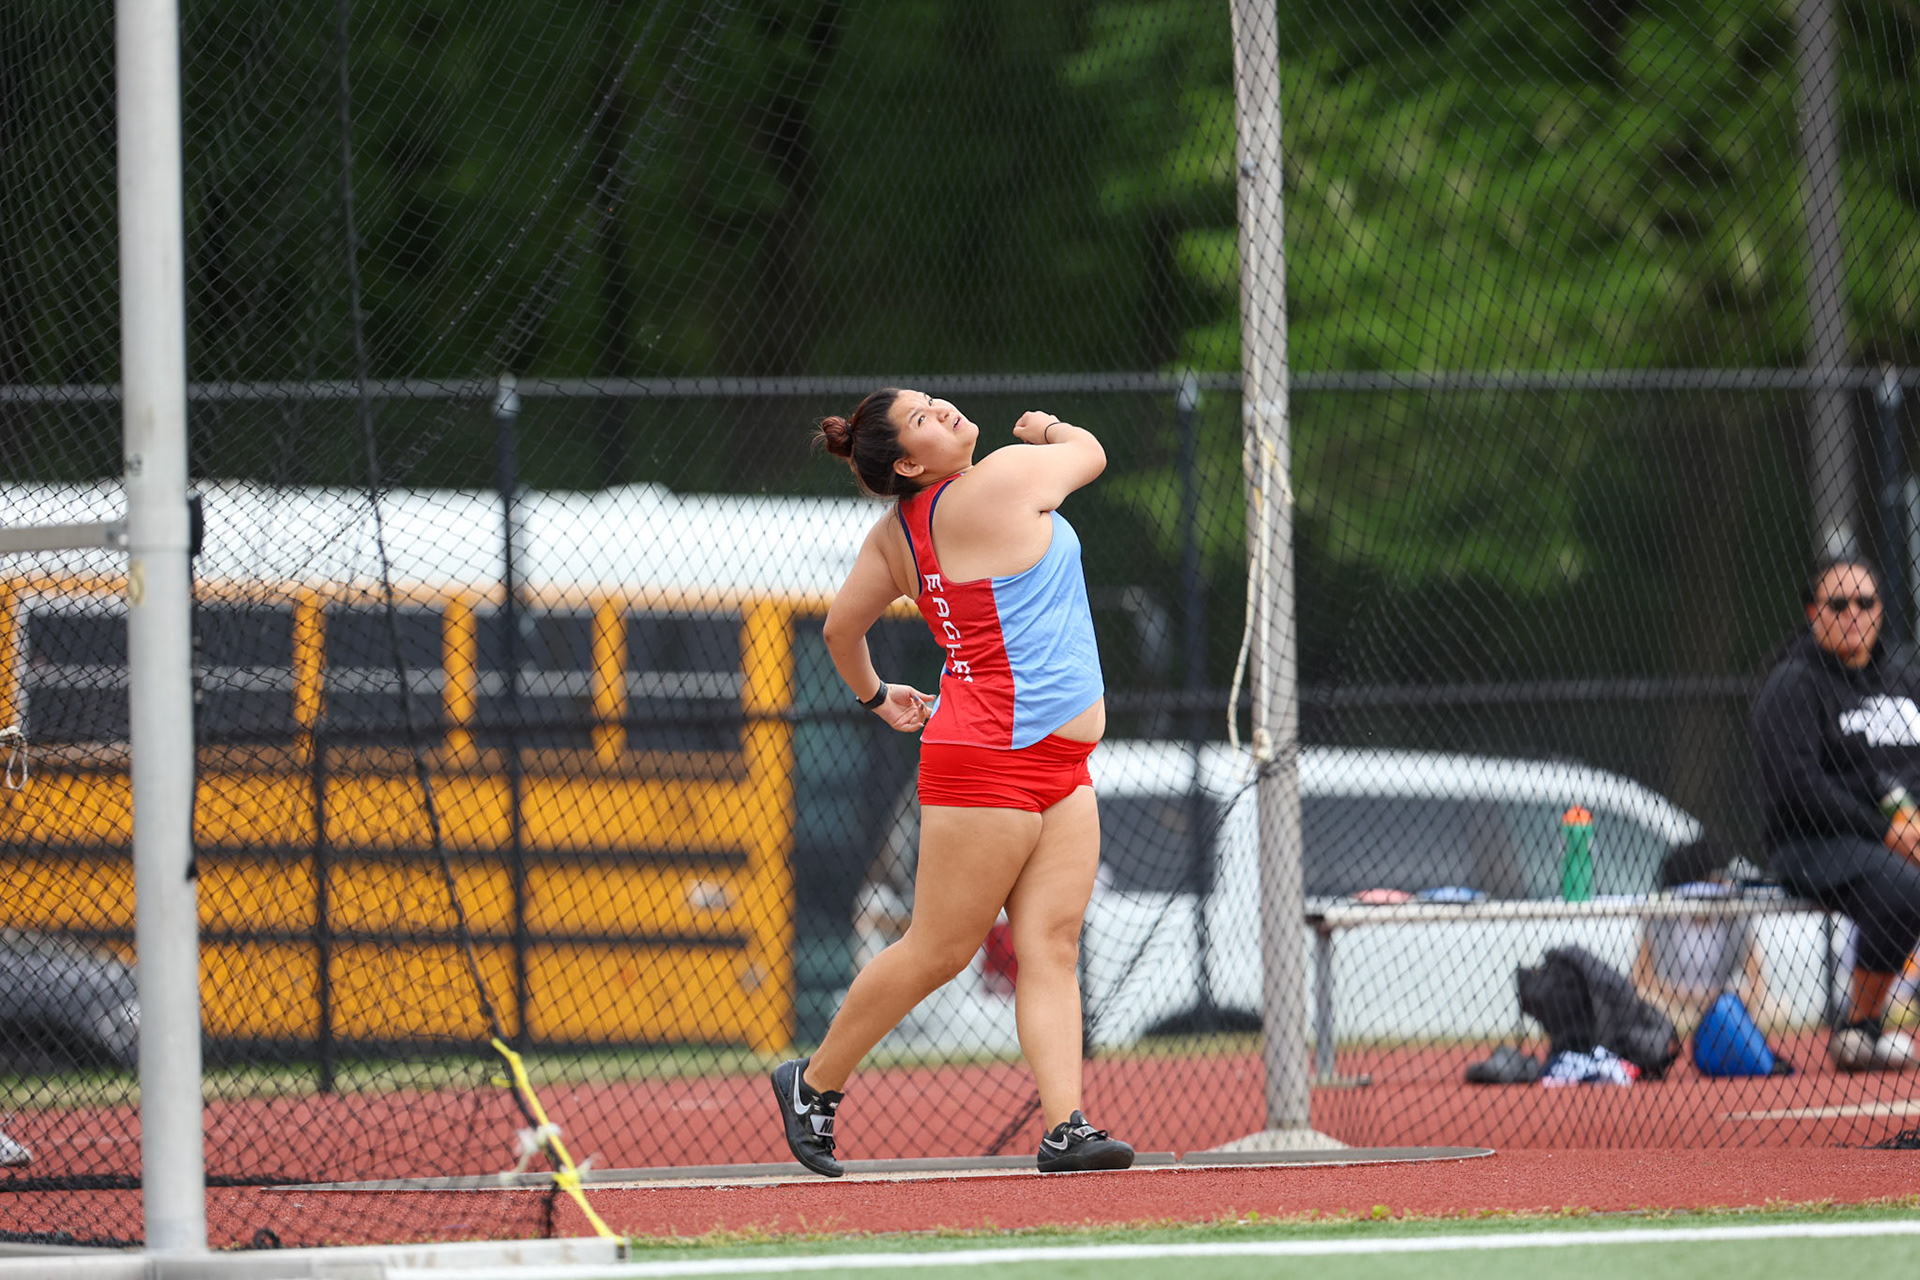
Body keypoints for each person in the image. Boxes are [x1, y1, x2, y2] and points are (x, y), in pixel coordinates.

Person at [769, 388, 1134, 1176]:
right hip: (990, 756)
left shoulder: (895, 535)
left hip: (1057, 763)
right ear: (907, 462)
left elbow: (842, 631)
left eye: (936, 402)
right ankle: (813, 1083)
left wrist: (876, 695)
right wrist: (1049, 428)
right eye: (926, 418)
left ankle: (1066, 1127)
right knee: (940, 948)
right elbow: (1092, 453)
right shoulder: (1001, 475)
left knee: (1050, 945)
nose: (945, 411)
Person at [1752, 556, 1920, 1071]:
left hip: (1900, 837)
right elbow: (1797, 787)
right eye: (1838, 603)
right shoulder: (1794, 683)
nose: (1854, 613)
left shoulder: (1904, 683)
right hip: (1815, 844)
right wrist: (1886, 830)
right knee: (1903, 887)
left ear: (1881, 610)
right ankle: (1859, 1027)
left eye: (1866, 602)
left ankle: (1866, 1030)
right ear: (1812, 612)